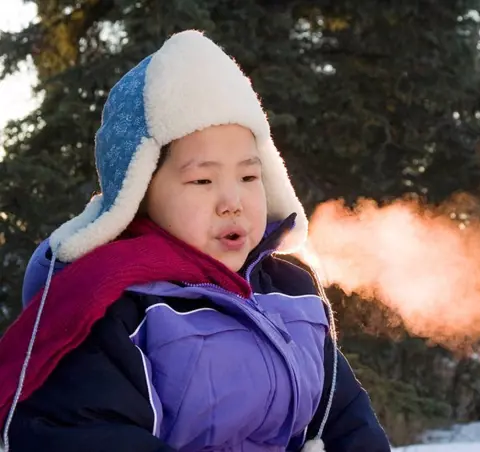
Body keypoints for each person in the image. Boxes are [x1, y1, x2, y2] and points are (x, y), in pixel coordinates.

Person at [0, 30, 390, 452]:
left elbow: (346, 418)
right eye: (202, 180)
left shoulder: (292, 292)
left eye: (248, 176)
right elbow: (87, 432)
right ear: (140, 191)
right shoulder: (108, 306)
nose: (232, 201)